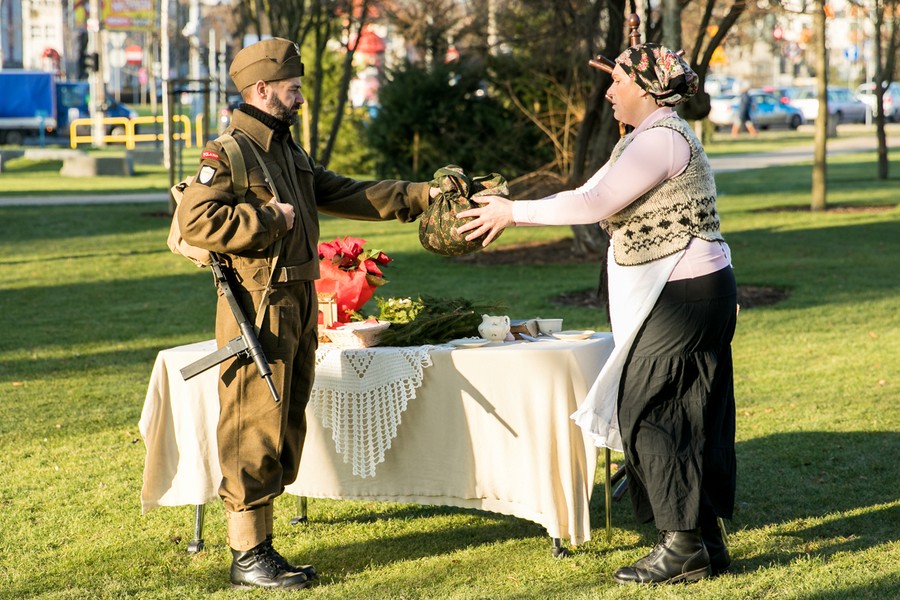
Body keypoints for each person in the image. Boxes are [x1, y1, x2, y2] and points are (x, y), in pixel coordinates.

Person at [457, 43, 737, 585]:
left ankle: (683, 547)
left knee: (651, 413)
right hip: (694, 292)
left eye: (620, 81)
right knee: (685, 414)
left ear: (647, 90)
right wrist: (513, 211)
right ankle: (703, 544)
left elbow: (591, 205)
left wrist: (513, 213)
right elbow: (588, 193)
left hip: (684, 295)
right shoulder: (648, 137)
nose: (609, 91)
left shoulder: (660, 139)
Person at [177, 38, 435, 591]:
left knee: (284, 424)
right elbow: (196, 222)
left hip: (297, 301)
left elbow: (346, 192)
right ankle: (248, 557)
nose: (299, 97)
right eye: (292, 88)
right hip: (258, 306)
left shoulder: (286, 151)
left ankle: (261, 548)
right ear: (262, 89)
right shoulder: (230, 153)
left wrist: (420, 195)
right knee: (252, 427)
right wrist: (271, 219)